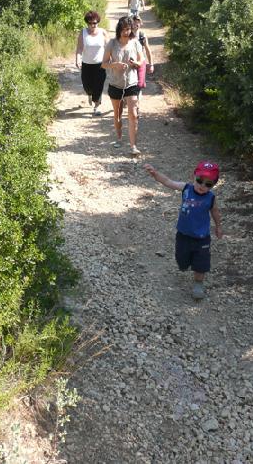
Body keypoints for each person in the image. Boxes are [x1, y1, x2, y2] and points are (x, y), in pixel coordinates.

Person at [144, 161, 223, 299]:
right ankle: (184, 263)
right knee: (182, 260)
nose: (202, 186)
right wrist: (155, 173)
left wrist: (218, 226)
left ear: (214, 185)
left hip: (202, 238)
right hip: (183, 235)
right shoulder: (186, 188)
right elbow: (168, 182)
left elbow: (215, 212)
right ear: (193, 177)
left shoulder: (211, 198)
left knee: (201, 263)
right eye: (199, 181)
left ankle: (198, 284)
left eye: (208, 184)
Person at [102, 16, 144, 155]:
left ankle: (133, 146)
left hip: (131, 83)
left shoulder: (135, 42)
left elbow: (141, 60)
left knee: (133, 115)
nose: (126, 32)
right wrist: (114, 65)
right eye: (124, 29)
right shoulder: (112, 43)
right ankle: (119, 138)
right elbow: (103, 64)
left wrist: (136, 63)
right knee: (118, 115)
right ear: (119, 29)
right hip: (115, 84)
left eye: (129, 29)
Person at [75, 11, 108, 116]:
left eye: (94, 23)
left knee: (99, 86)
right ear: (87, 23)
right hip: (86, 65)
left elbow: (108, 48)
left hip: (100, 65)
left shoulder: (103, 33)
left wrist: (111, 60)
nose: (92, 25)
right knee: (87, 86)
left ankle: (96, 106)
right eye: (90, 23)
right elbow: (79, 48)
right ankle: (89, 94)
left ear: (98, 22)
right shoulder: (83, 33)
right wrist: (78, 59)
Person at [130, 14, 154, 103]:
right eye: (134, 22)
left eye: (138, 22)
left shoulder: (142, 35)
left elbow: (147, 50)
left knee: (139, 83)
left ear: (140, 24)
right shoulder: (127, 34)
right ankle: (129, 98)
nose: (136, 24)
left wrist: (151, 64)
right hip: (130, 62)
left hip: (141, 62)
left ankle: (136, 102)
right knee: (129, 83)